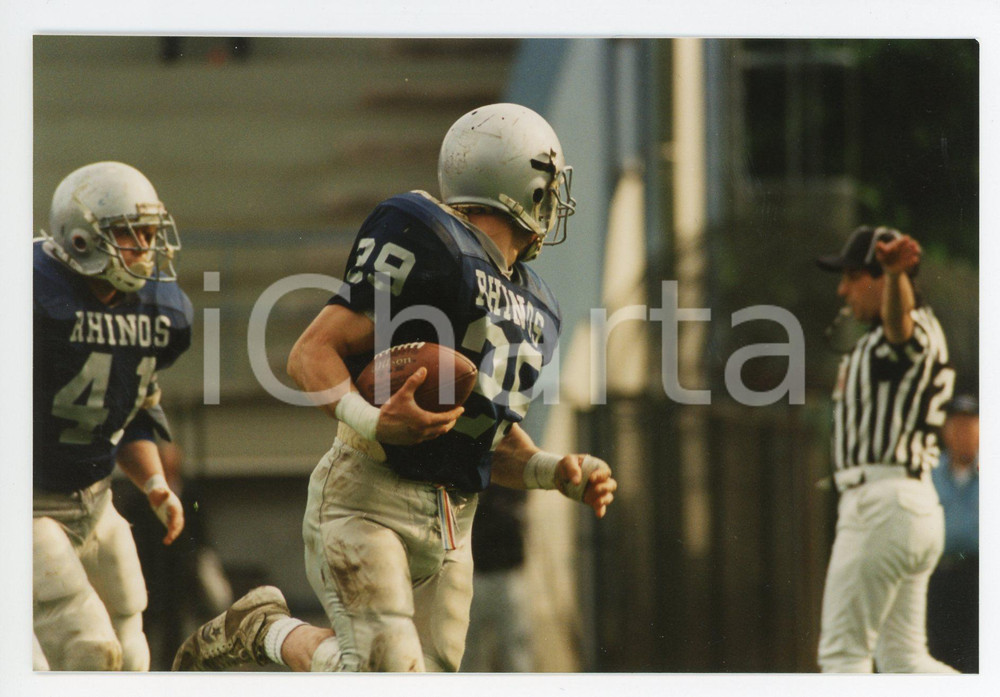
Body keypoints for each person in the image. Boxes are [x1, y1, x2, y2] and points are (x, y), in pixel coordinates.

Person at [172, 103, 617, 673]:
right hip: (370, 495)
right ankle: (262, 633)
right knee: (387, 672)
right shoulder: (428, 238)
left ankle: (261, 627)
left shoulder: (537, 304)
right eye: (549, 186)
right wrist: (376, 421)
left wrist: (554, 471)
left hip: (455, 521)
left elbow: (488, 436)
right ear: (524, 187)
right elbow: (311, 353)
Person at [33, 161, 192, 670]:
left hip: (95, 499)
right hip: (28, 502)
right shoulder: (29, 294)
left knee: (131, 647)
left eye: (149, 233)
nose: (144, 248)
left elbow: (129, 410)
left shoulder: (157, 308)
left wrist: (153, 484)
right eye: (128, 234)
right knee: (86, 647)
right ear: (79, 238)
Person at [814, 225, 957, 673]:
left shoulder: (907, 330)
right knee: (904, 660)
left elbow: (900, 331)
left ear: (882, 278)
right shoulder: (904, 333)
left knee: (843, 655)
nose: (843, 289)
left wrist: (895, 276)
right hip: (909, 503)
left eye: (852, 276)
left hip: (881, 504)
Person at [927, 393, 979, 672]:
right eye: (956, 425)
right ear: (945, 430)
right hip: (938, 577)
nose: (963, 432)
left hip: (980, 579)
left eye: (970, 425)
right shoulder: (929, 473)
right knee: (937, 657)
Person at [462, 486, 533, 672]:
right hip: (473, 576)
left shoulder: (510, 488)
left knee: (515, 652)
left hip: (507, 575)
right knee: (468, 653)